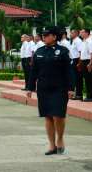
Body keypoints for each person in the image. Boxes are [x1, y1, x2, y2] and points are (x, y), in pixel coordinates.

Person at [27, 26, 74, 155]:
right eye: (43, 35)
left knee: (59, 115)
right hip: (43, 89)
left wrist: (71, 88)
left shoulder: (63, 51)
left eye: (47, 35)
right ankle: (52, 145)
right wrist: (30, 87)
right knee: (48, 116)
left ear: (54, 37)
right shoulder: (39, 51)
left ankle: (60, 139)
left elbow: (69, 71)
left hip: (60, 88)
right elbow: (33, 71)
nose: (44, 37)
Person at [70, 30, 84, 100]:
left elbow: (80, 52)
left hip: (77, 60)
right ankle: (77, 94)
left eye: (72, 33)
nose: (70, 34)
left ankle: (79, 94)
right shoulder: (74, 41)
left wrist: (79, 63)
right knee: (75, 78)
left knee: (78, 78)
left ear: (76, 33)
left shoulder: (78, 41)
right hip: (74, 60)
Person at [79, 29, 92, 102]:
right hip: (84, 61)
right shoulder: (84, 41)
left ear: (87, 33)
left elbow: (91, 53)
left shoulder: (89, 41)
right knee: (86, 79)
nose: (80, 33)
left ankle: (90, 96)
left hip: (88, 61)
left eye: (82, 32)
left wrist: (90, 63)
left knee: (89, 79)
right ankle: (89, 95)